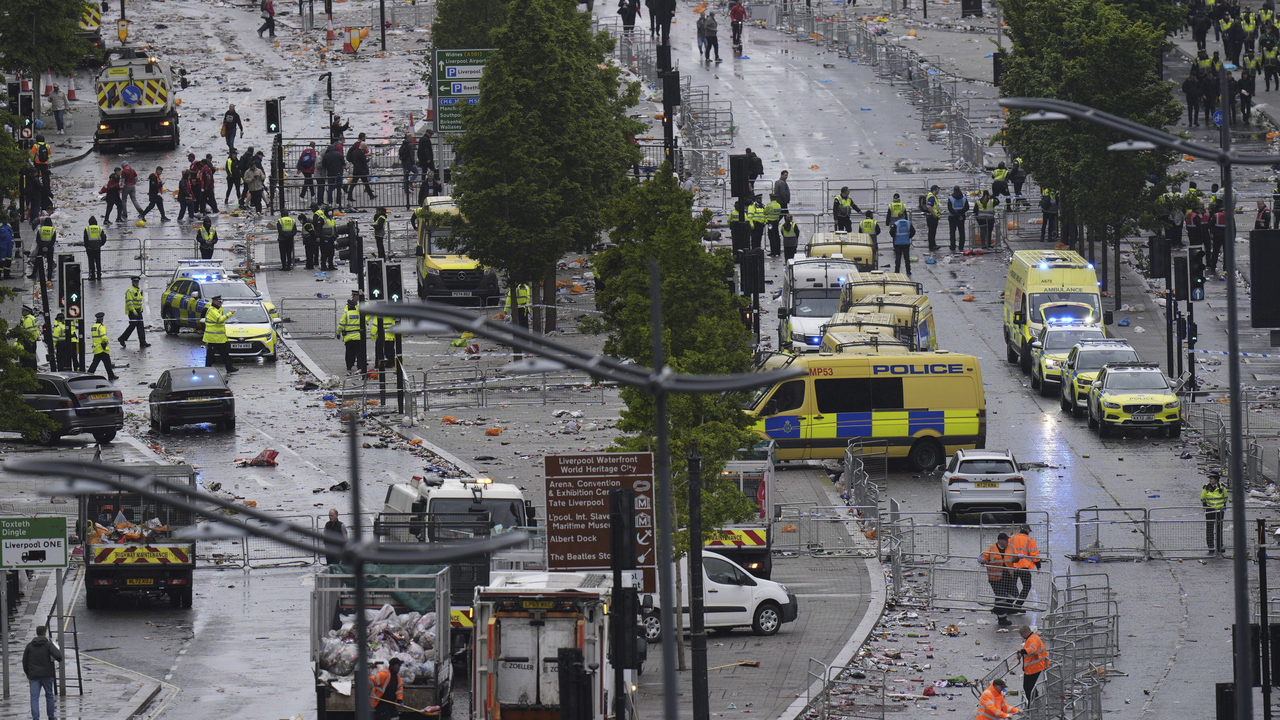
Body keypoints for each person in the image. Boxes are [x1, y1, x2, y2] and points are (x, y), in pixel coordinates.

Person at [23, 625, 63, 720]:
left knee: (34, 698)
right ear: (45, 633)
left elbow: (24, 661)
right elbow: (59, 657)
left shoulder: (29, 646)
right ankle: (51, 717)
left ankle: (36, 718)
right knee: (49, 695)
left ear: (37, 633)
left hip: (34, 676)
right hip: (47, 674)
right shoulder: (48, 644)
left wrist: (28, 673)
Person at [981, 533, 1016, 626]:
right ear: (1000, 541)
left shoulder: (1010, 547)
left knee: (1014, 594)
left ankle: (998, 608)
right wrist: (982, 560)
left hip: (1008, 576)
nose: (1007, 541)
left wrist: (1017, 557)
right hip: (995, 578)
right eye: (1006, 540)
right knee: (1001, 596)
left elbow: (1014, 558)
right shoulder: (992, 549)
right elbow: (985, 557)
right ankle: (1002, 618)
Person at [200, 296, 236, 373]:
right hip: (213, 338)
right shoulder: (212, 310)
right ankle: (207, 369)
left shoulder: (216, 310)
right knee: (211, 355)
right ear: (215, 302)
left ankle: (229, 368)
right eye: (220, 302)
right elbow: (220, 320)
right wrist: (230, 314)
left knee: (225, 354)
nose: (221, 304)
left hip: (219, 338)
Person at [1008, 524, 1039, 611]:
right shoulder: (1030, 540)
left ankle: (1008, 606)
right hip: (1024, 567)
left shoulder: (1011, 538)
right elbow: (1034, 555)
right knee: (1027, 586)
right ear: (1026, 530)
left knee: (1011, 586)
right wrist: (1038, 567)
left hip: (1012, 566)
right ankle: (1018, 606)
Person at [1018, 626, 1049, 702]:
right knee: (1030, 686)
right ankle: (1035, 702)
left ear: (1025, 632)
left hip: (1034, 667)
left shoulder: (1032, 639)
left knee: (1028, 687)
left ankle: (1033, 704)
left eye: (1022, 635)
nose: (1022, 637)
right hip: (1036, 666)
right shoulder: (1034, 637)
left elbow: (1032, 650)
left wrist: (1022, 651)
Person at [118, 276, 150, 349]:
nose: (136, 283)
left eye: (137, 282)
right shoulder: (130, 291)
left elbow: (139, 301)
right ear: (132, 282)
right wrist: (133, 311)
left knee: (140, 327)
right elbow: (129, 302)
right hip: (133, 312)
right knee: (132, 326)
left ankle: (142, 342)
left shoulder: (137, 290)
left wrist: (140, 309)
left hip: (138, 311)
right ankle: (122, 338)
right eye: (135, 282)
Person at [339, 296, 367, 373]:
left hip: (349, 337)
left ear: (349, 306)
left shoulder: (345, 314)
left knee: (349, 353)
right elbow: (364, 324)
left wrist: (338, 333)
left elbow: (341, 325)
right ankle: (360, 366)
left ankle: (349, 366)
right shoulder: (359, 314)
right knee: (359, 352)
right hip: (358, 337)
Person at [88, 312, 117, 382]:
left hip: (96, 347)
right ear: (102, 319)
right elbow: (104, 337)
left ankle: (89, 374)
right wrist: (107, 342)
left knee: (95, 363)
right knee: (107, 363)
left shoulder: (93, 327)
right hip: (102, 348)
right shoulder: (101, 327)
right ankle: (111, 376)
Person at [1202, 474, 1227, 554]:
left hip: (1219, 511)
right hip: (1210, 510)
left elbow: (1225, 498)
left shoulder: (1222, 487)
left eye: (1211, 479)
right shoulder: (1206, 488)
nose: (1210, 480)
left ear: (1216, 480)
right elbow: (1202, 498)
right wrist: (1206, 506)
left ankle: (1219, 546)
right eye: (1209, 479)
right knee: (1209, 529)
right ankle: (1211, 546)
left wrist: (1222, 506)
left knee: (1219, 529)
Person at [32, 135, 52, 208]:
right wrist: (47, 160)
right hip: (44, 163)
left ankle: (38, 187)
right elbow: (49, 154)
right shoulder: (47, 146)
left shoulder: (35, 146)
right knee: (45, 176)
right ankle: (46, 187)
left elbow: (32, 154)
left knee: (36, 176)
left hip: (37, 162)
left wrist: (32, 160)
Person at [948, 186, 970, 252]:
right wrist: (960, 213)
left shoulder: (950, 198)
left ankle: (953, 246)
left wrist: (956, 213)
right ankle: (961, 246)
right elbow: (967, 207)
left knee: (952, 232)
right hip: (962, 216)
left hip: (952, 217)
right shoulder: (964, 198)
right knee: (961, 232)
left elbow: (950, 208)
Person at [317, 205, 338, 271]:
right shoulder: (322, 218)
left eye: (331, 211)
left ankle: (331, 265)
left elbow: (334, 228)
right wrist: (318, 237)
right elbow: (318, 229)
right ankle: (323, 266)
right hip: (324, 238)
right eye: (329, 211)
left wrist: (336, 236)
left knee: (331, 253)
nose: (330, 212)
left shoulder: (332, 219)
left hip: (331, 238)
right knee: (324, 253)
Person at [398, 133, 418, 200]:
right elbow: (411, 155)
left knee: (405, 175)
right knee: (416, 172)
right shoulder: (410, 145)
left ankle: (406, 189)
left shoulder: (403, 144)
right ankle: (410, 182)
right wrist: (413, 163)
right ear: (409, 137)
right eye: (412, 137)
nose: (412, 138)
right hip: (409, 162)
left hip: (404, 162)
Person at [1208, 201, 1227, 273]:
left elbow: (1209, 225)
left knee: (1215, 251)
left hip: (1217, 236)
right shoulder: (1229, 215)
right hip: (1227, 237)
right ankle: (1226, 268)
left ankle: (1213, 266)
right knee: (1226, 253)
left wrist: (1212, 232)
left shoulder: (1216, 215)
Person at [922, 185, 942, 251]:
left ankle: (933, 244)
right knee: (932, 232)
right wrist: (934, 214)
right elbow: (929, 206)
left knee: (932, 231)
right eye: (938, 189)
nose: (938, 191)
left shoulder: (931, 195)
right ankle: (932, 245)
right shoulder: (932, 197)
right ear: (935, 189)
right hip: (932, 217)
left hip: (931, 216)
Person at [302, 204, 320, 269]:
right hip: (314, 237)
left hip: (310, 240)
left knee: (309, 253)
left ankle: (310, 265)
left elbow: (313, 229)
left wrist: (316, 236)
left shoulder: (316, 214)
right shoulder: (320, 213)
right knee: (315, 251)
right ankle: (315, 262)